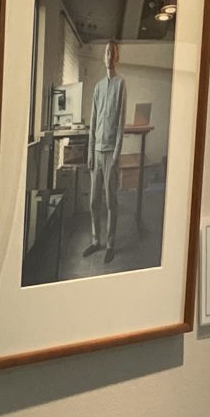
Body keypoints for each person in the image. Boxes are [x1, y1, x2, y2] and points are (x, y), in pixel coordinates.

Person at [84, 42, 128, 261]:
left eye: (113, 52)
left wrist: (117, 153)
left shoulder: (121, 84)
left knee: (111, 201)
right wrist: (90, 152)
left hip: (111, 152)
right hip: (97, 152)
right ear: (104, 57)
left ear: (117, 57)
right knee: (94, 200)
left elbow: (121, 122)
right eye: (107, 52)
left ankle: (110, 244)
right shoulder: (98, 87)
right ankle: (96, 241)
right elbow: (93, 122)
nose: (110, 55)